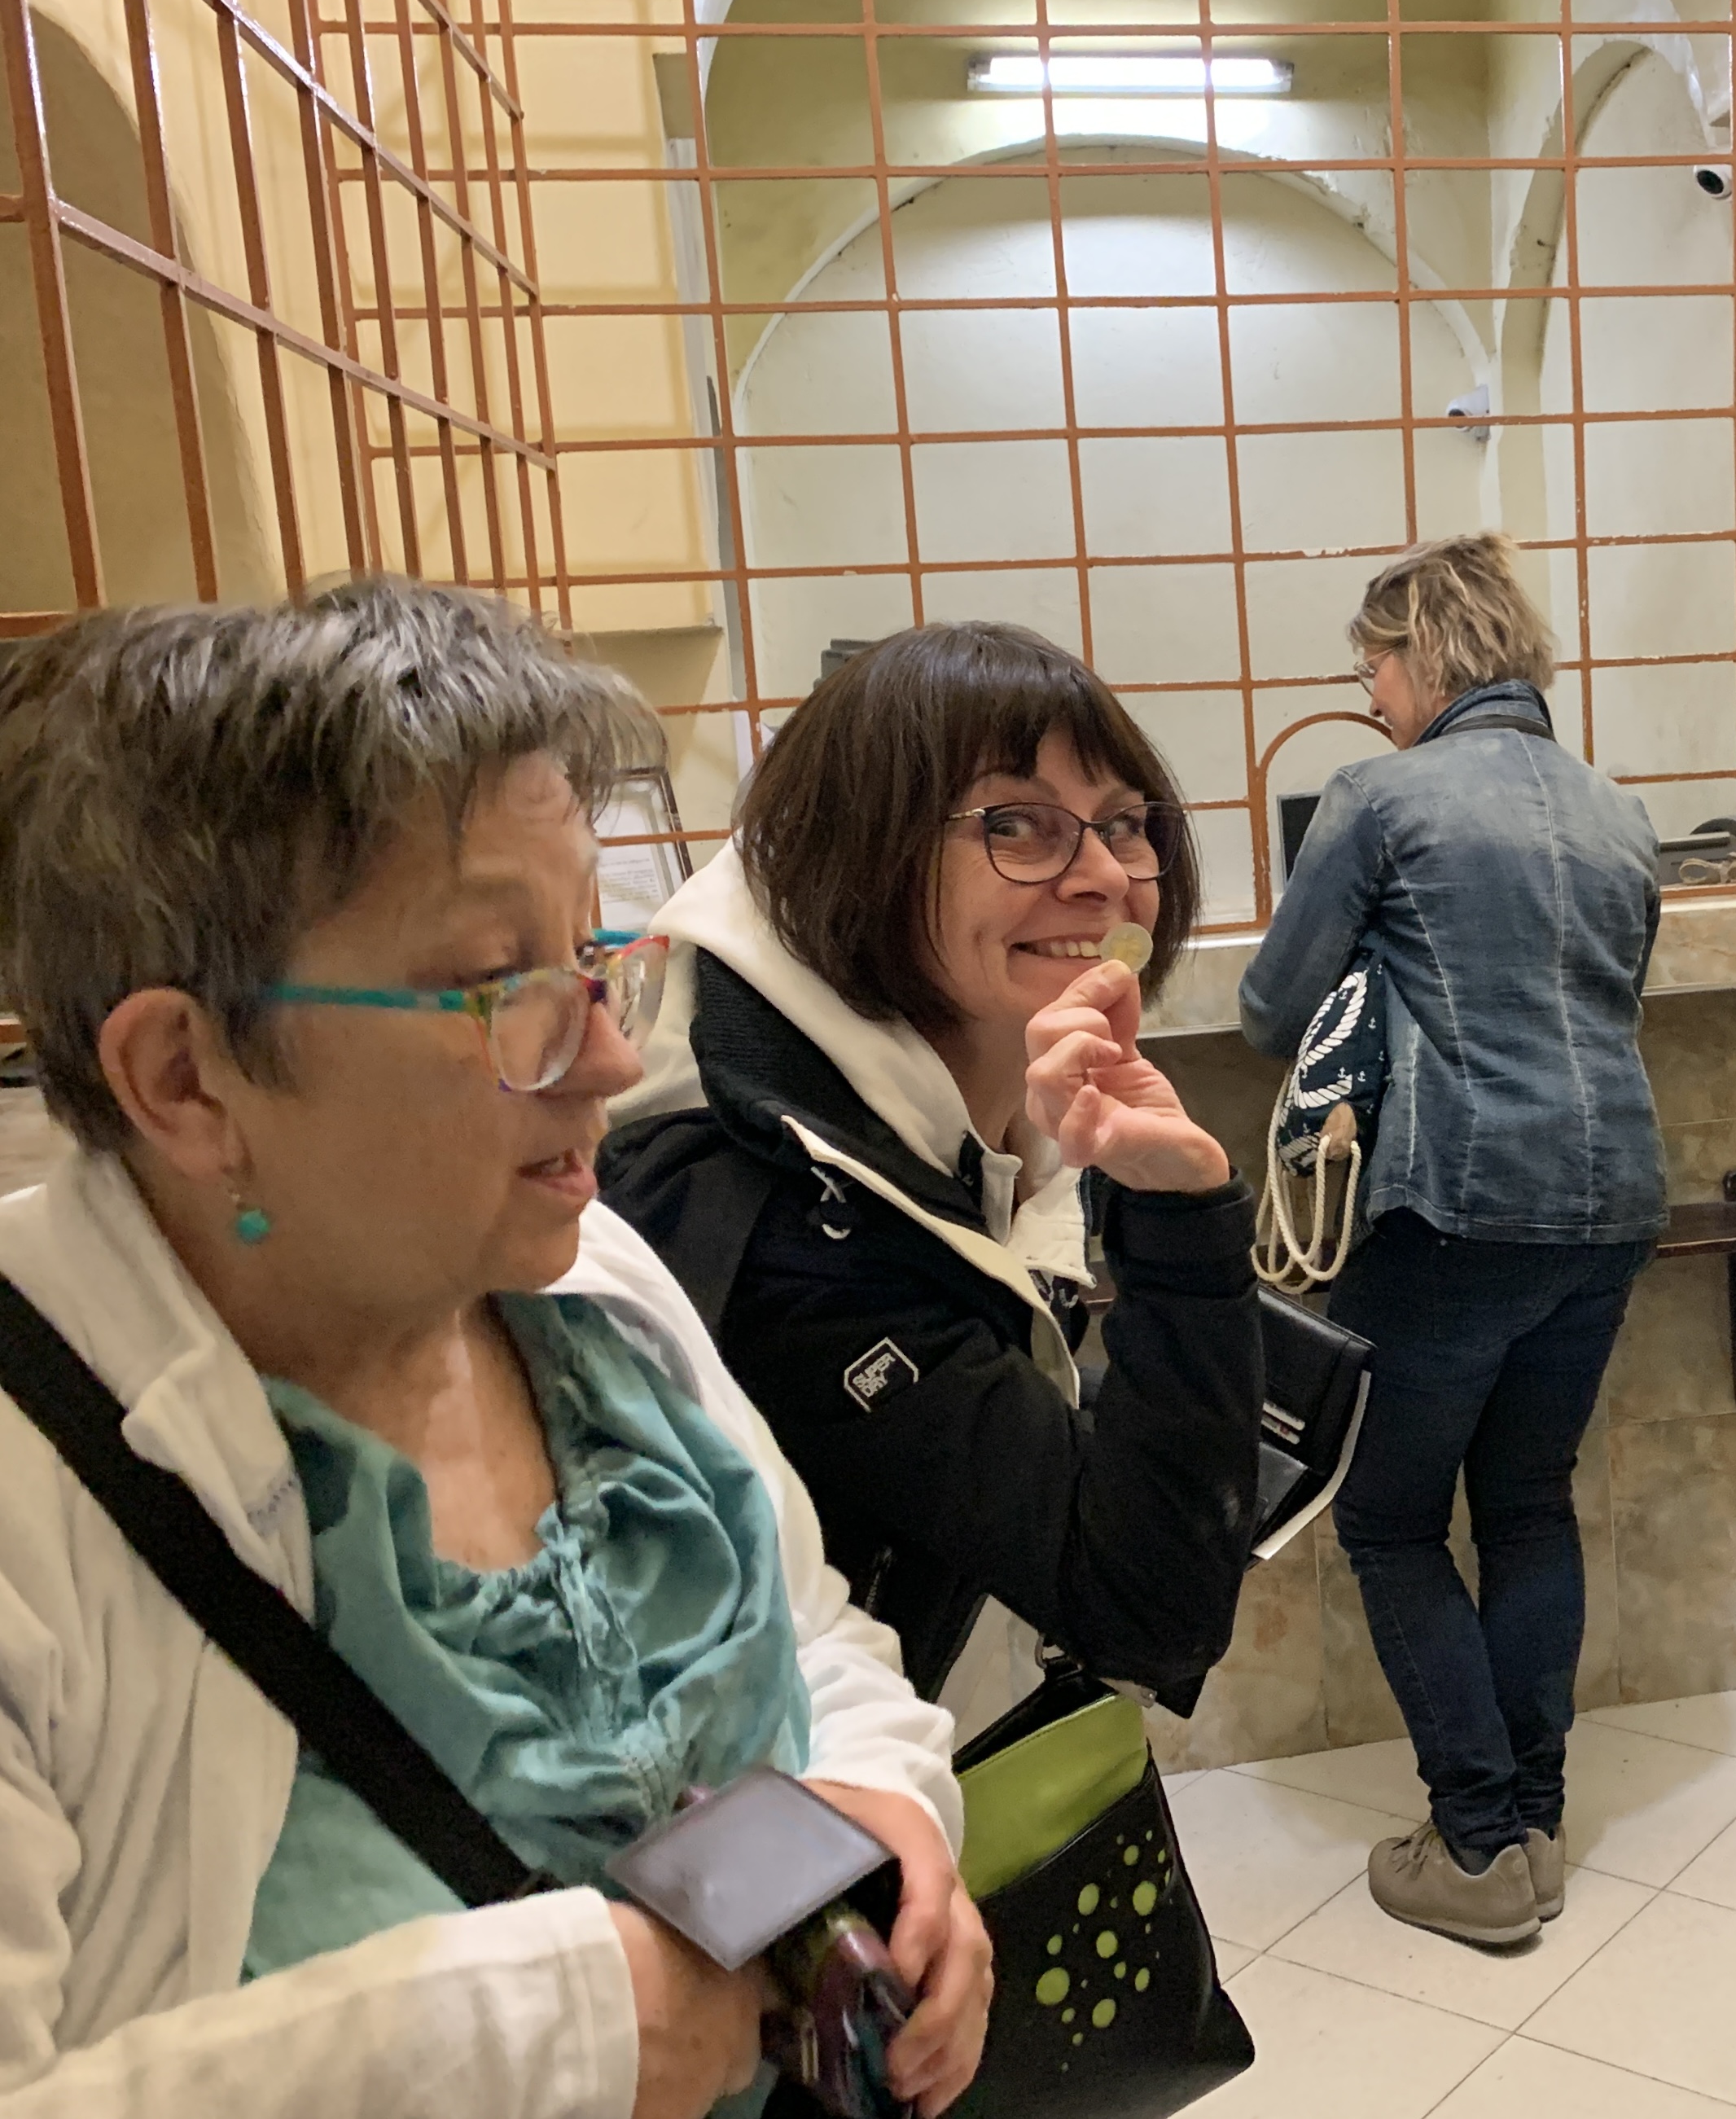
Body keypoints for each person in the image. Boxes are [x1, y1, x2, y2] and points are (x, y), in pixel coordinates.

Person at [0, 577, 989, 2117]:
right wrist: (560, 2024)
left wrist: (882, 1803)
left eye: (591, 960)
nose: (609, 1054)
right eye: (502, 987)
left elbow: (811, 1638)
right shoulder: (34, 1487)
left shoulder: (586, 1280)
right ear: (187, 1078)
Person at [598, 623, 1261, 1738]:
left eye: (1121, 823)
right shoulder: (785, 1215)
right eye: (1015, 824)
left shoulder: (929, 1139)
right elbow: (1150, 1608)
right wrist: (1181, 1221)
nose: (1105, 875)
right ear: (861, 855)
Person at [1238, 533, 1664, 1946]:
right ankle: (1533, 1822)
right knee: (1529, 1503)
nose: (1368, 695)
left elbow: (1271, 1008)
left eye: (1372, 664)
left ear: (1422, 653)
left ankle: (1478, 1847)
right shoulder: (1620, 813)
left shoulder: (1378, 797)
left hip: (1454, 1209)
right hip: (1612, 1206)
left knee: (1390, 1517)